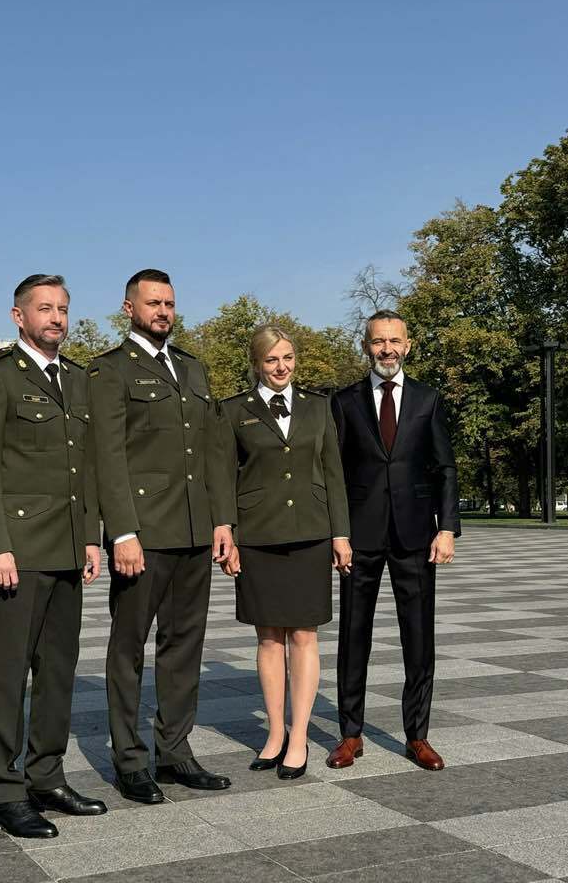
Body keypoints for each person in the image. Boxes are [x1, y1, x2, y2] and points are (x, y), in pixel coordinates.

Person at [0, 274, 107, 840]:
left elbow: (85, 466)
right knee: (7, 674)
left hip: (67, 550)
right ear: (19, 316)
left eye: (63, 309)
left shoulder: (76, 379)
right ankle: (7, 793)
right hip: (15, 553)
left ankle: (48, 777)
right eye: (45, 309)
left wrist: (90, 536)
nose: (56, 319)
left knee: (58, 673)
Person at [88, 268, 236, 804]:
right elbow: (107, 457)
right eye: (153, 303)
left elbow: (213, 452)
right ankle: (129, 761)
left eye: (170, 303)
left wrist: (222, 521)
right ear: (129, 309)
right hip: (144, 536)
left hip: (195, 531)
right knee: (128, 648)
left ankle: (175, 753)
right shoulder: (109, 371)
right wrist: (122, 532)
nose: (163, 312)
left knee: (184, 647)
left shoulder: (194, 370)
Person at [326, 310, 460, 772]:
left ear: (408, 344)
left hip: (416, 533)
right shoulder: (343, 402)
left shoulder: (428, 398)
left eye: (394, 341)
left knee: (419, 637)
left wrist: (447, 528)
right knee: (352, 636)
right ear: (366, 345)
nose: (387, 349)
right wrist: (337, 532)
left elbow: (445, 466)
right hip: (359, 536)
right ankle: (350, 733)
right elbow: (334, 474)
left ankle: (417, 735)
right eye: (378, 341)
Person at [220, 326, 352, 779]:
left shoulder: (318, 406)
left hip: (312, 533)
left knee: (304, 636)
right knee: (268, 638)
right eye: (273, 360)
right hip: (257, 535)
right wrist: (229, 534)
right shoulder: (234, 409)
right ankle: (274, 733)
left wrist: (341, 534)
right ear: (257, 363)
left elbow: (332, 472)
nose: (282, 367)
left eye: (289, 358)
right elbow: (222, 476)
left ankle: (299, 738)